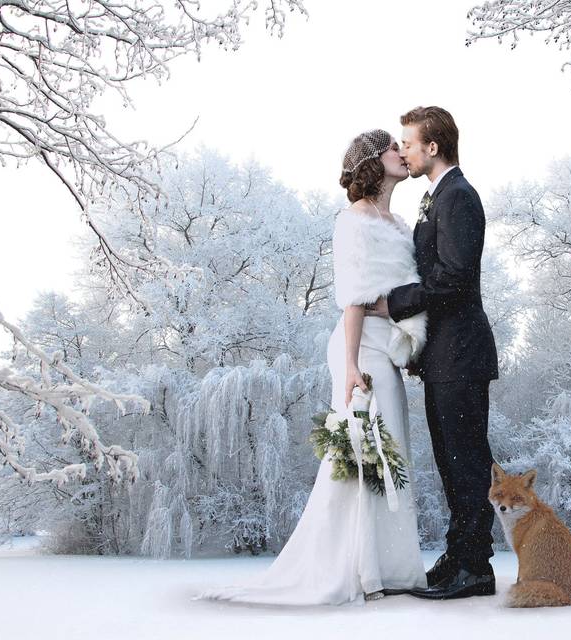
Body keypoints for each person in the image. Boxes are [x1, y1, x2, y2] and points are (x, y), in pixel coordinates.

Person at [198, 129, 427, 606]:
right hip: (359, 346)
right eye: (391, 148)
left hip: (390, 347)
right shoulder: (354, 219)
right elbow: (353, 298)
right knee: (364, 453)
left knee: (395, 452)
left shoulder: (401, 224)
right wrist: (348, 367)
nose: (401, 153)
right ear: (371, 160)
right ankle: (359, 568)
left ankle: (391, 565)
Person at [369, 106, 499, 600]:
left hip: (461, 354)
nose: (401, 149)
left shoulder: (459, 196)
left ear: (433, 147)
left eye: (408, 141)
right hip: (445, 356)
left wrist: (393, 303)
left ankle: (476, 567)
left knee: (465, 461)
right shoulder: (437, 197)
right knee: (450, 461)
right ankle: (458, 556)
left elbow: (455, 277)